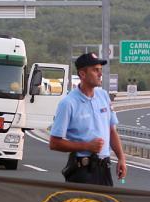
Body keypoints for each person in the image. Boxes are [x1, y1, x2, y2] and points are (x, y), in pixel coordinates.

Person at [49, 52, 126, 186]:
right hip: (82, 170)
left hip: (104, 168)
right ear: (82, 74)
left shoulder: (104, 96)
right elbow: (54, 143)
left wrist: (121, 158)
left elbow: (111, 131)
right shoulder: (68, 103)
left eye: (100, 70)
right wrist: (86, 146)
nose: (100, 74)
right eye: (95, 70)